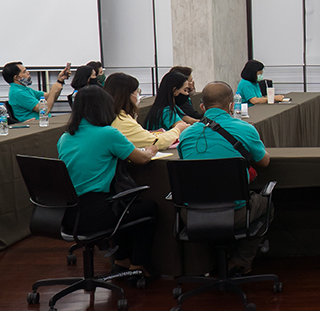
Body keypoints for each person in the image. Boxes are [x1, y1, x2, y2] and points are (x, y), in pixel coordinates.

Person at [56, 85, 158, 277]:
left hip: (67, 216)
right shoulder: (107, 134)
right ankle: (137, 266)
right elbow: (142, 159)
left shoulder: (65, 137)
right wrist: (150, 150)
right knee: (146, 208)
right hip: (95, 215)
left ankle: (121, 261)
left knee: (121, 204)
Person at [178, 82, 274, 276]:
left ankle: (206, 264)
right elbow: (264, 162)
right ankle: (239, 262)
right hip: (235, 213)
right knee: (266, 204)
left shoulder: (186, 135)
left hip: (192, 214)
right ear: (232, 106)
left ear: (202, 107)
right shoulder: (245, 129)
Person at [106, 72, 186, 150]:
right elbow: (156, 142)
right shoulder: (122, 121)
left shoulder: (108, 116)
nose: (138, 96)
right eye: (137, 92)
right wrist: (177, 130)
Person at [2, 61, 70, 121]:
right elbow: (44, 111)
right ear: (16, 77)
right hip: (36, 124)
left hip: (44, 121)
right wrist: (54, 88)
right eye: (24, 72)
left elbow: (50, 97)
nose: (28, 73)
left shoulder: (23, 88)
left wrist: (60, 81)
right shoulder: (18, 93)